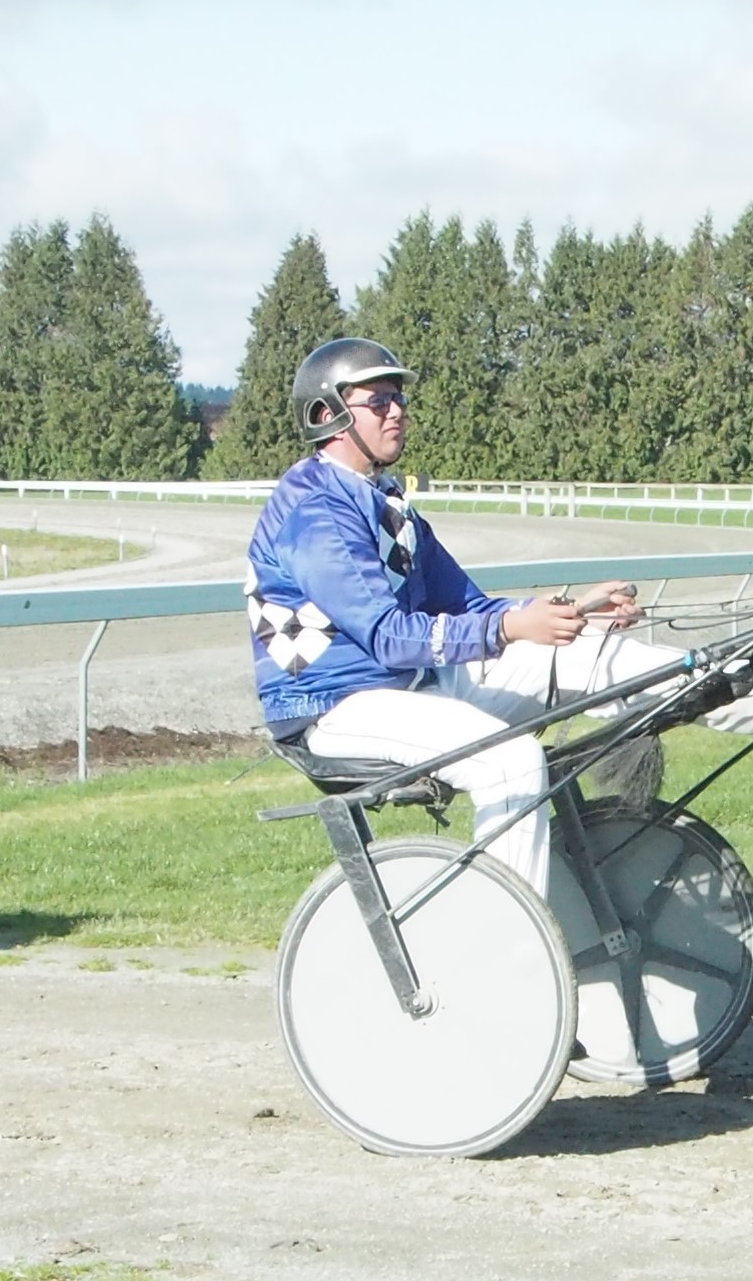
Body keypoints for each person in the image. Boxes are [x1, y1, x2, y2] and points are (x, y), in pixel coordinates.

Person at [245, 337, 687, 899]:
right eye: (378, 401)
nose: (396, 411)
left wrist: (570, 615)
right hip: (332, 705)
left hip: (408, 686)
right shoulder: (315, 510)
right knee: (511, 761)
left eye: (399, 399)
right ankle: (506, 933)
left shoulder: (383, 498)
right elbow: (388, 636)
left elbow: (468, 607)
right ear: (328, 415)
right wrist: (510, 629)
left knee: (589, 654)